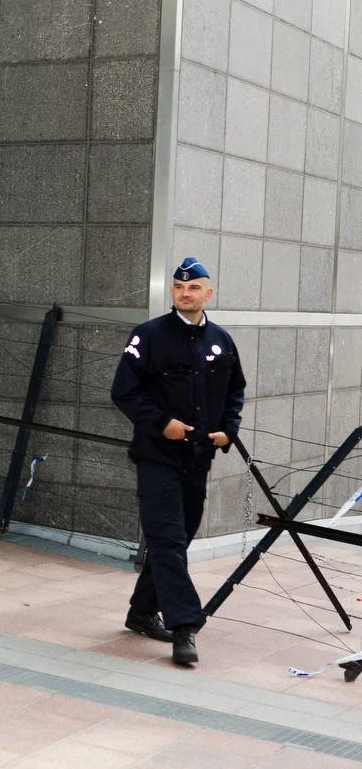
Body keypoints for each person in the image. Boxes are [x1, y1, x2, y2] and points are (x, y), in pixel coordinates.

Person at [110, 257, 246, 666]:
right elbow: (124, 391)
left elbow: (234, 391)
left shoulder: (221, 340)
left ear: (208, 293)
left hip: (198, 458)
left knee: (179, 536)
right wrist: (161, 423)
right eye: (178, 287)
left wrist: (229, 429)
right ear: (173, 291)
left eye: (192, 288)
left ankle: (141, 611)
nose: (184, 293)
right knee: (168, 539)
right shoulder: (149, 335)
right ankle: (185, 626)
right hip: (157, 457)